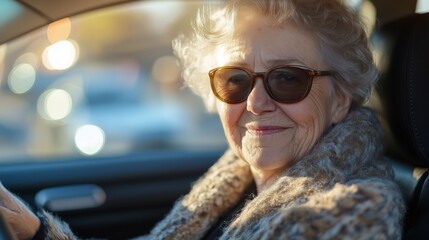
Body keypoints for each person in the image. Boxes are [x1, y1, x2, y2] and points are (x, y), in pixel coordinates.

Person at [0, 0, 405, 239]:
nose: (257, 102)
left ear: (339, 99)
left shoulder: (355, 214)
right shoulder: (234, 185)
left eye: (287, 78)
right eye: (235, 80)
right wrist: (36, 232)